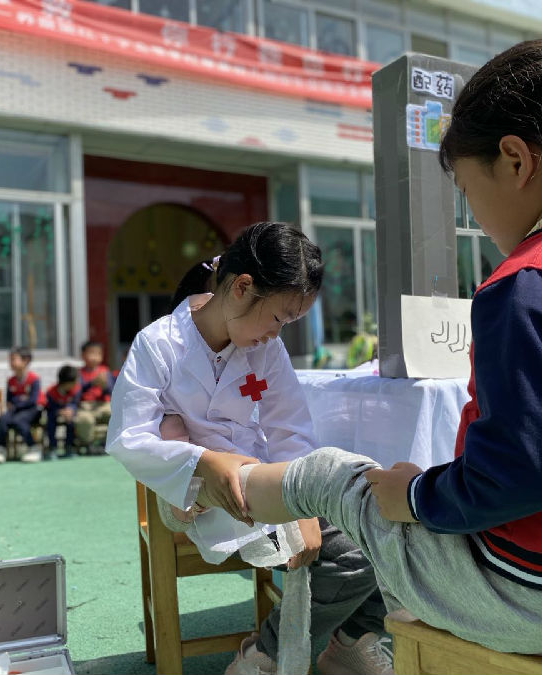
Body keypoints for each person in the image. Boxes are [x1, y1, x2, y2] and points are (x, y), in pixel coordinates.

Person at [185, 18, 542, 658]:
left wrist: (419, 495)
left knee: (339, 477)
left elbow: (527, 474)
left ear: (515, 160)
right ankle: (353, 641)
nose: (474, 214)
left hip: (531, 600)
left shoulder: (530, 285)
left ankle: (219, 489)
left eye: (467, 191)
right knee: (382, 508)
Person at [107, 221, 391, 675]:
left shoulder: (266, 350)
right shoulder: (158, 345)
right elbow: (129, 438)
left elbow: (289, 429)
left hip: (261, 479)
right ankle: (268, 656)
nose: (276, 334)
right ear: (241, 287)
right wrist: (202, 462)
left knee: (379, 522)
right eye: (278, 318)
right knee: (356, 553)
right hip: (194, 491)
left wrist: (301, 503)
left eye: (288, 323)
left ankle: (352, 641)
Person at [0, 346, 44, 464]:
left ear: (25, 361)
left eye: (13, 359)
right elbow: (9, 400)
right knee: (2, 420)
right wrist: (20, 400)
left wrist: (18, 402)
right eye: (10, 360)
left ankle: (33, 448)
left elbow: (32, 400)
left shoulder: (34, 379)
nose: (11, 363)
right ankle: (0, 449)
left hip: (33, 411)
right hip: (16, 410)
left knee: (19, 421)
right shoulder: (11, 381)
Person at [74, 340, 114, 453]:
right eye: (91, 353)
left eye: (98, 353)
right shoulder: (79, 373)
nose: (95, 357)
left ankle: (107, 442)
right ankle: (88, 444)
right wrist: (92, 383)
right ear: (83, 355)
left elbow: (112, 391)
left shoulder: (105, 371)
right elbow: (77, 392)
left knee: (116, 415)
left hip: (103, 404)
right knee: (84, 419)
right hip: (85, 406)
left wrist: (104, 386)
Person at [44, 364, 81, 460]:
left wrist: (70, 410)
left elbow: (75, 403)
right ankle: (53, 448)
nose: (75, 384)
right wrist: (59, 411)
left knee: (71, 422)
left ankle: (69, 447)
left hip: (69, 414)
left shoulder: (76, 389)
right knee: (50, 422)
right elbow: (49, 407)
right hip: (55, 413)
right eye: (72, 382)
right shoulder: (51, 392)